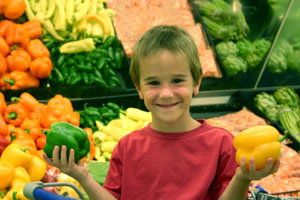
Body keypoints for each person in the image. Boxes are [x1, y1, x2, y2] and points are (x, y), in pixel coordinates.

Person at [43, 25, 280, 200]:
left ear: (196, 82)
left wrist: (242, 177)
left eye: (177, 80)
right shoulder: (127, 147)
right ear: (139, 88)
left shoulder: (221, 143)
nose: (166, 93)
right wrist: (81, 175)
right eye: (154, 83)